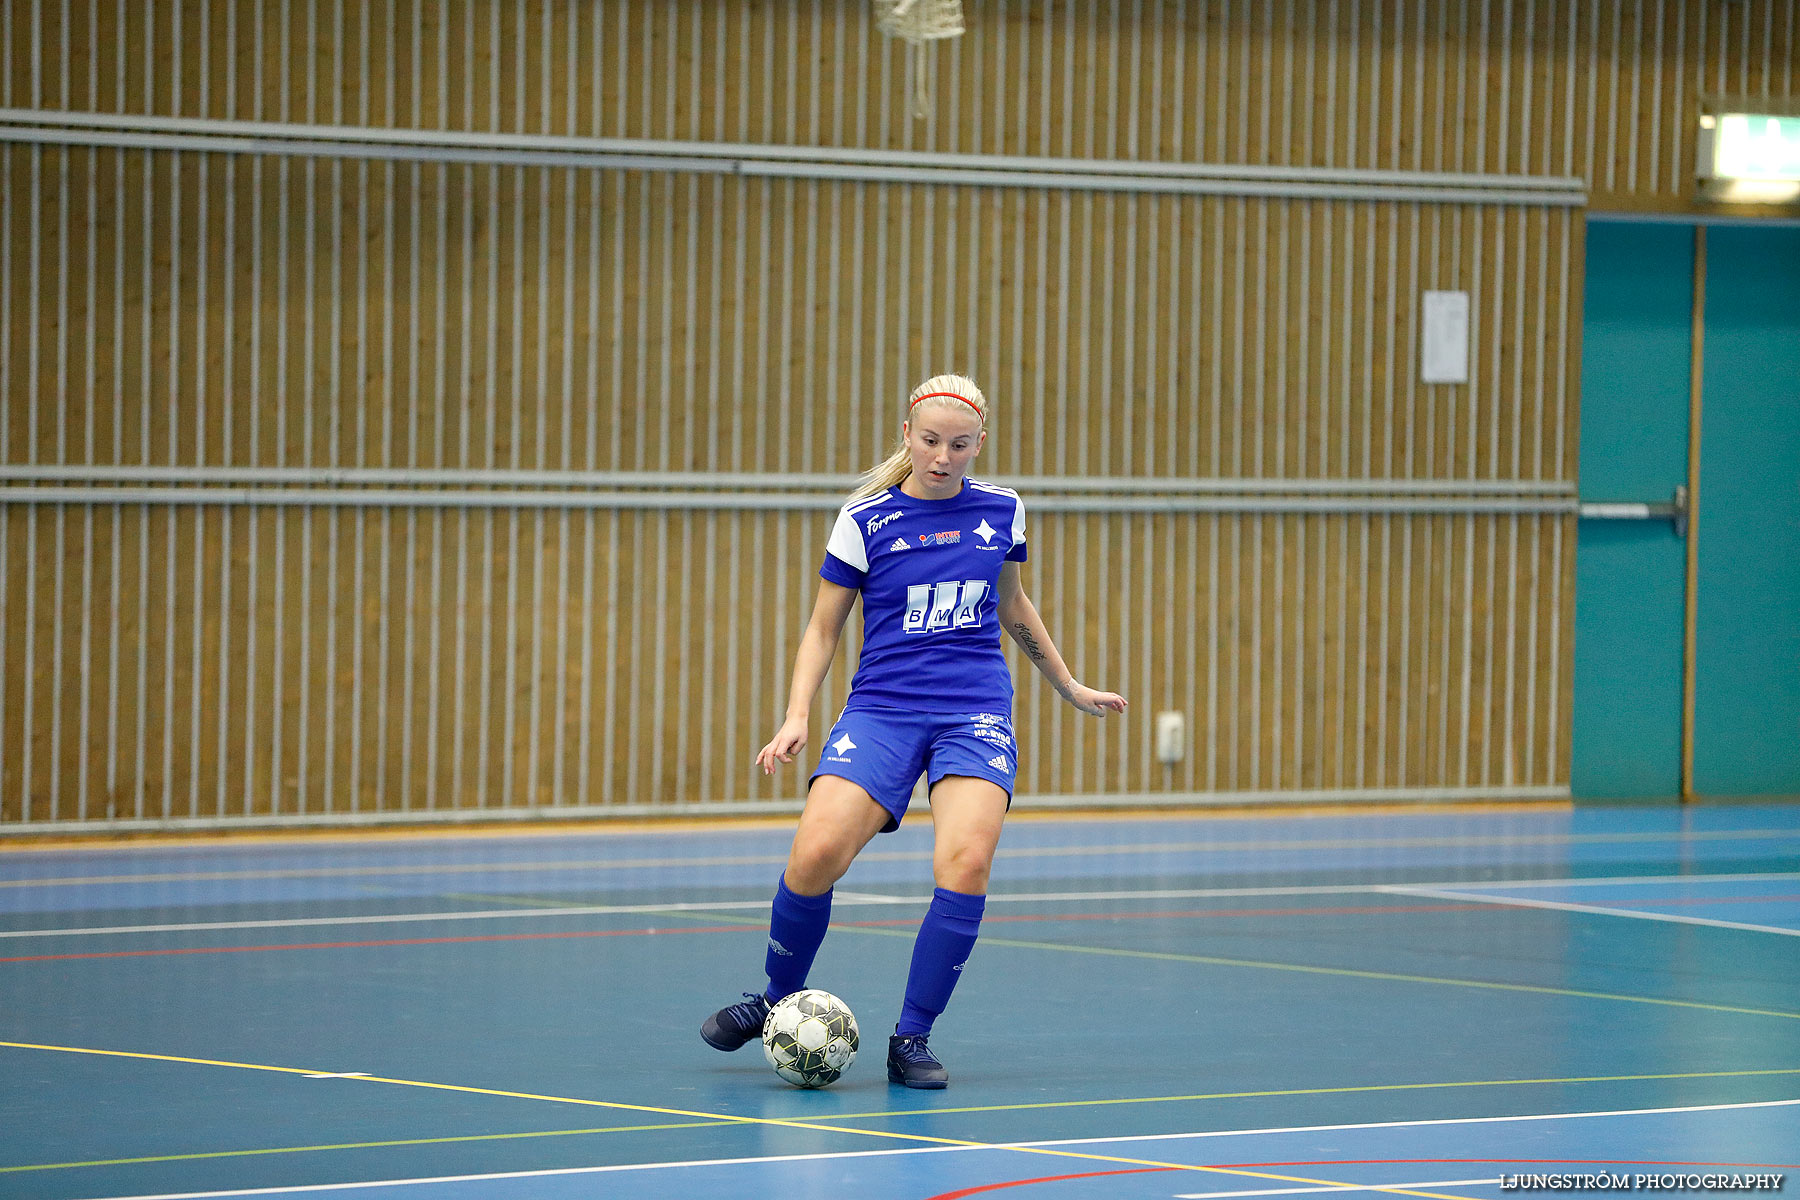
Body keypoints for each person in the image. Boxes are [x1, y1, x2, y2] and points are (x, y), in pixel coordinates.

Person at [699, 373, 1127, 1088]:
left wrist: (1069, 684)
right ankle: (773, 1000)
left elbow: (1014, 605)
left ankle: (913, 1039)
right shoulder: (865, 520)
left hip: (974, 712)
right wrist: (797, 713)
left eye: (959, 445)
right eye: (929, 441)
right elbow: (822, 628)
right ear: (907, 435)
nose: (942, 456)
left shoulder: (1001, 512)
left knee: (965, 864)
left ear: (978, 445)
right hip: (883, 710)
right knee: (815, 854)